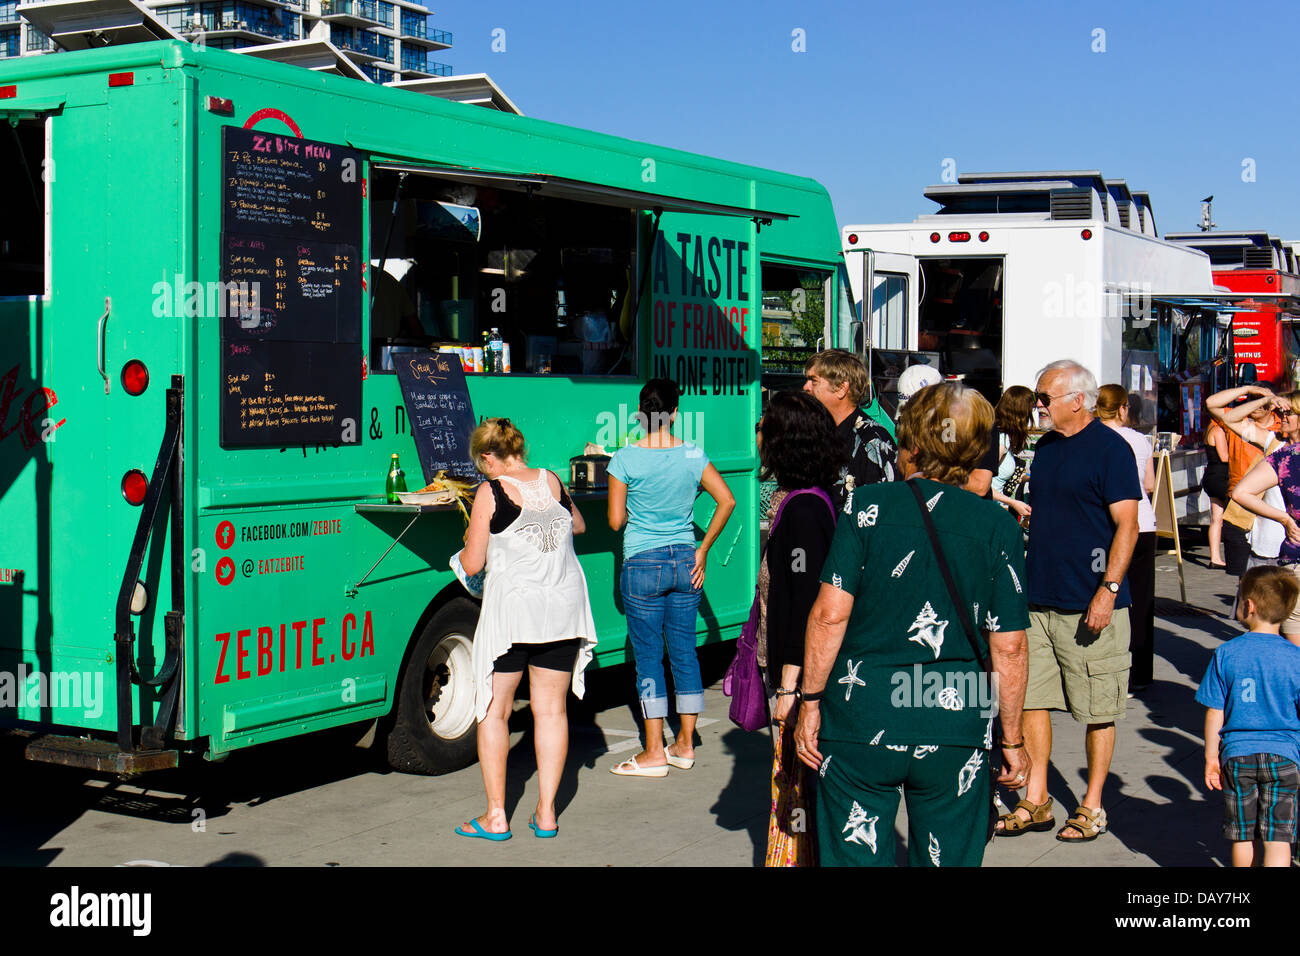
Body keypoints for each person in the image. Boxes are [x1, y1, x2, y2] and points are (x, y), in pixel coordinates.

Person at [793, 381, 1031, 867]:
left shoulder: (866, 507)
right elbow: (1009, 647)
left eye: (902, 441)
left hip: (862, 713)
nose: (899, 452)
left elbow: (829, 614)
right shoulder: (998, 526)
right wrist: (1012, 740)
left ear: (917, 445)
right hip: (956, 717)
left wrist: (810, 702)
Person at [997, 360, 1139, 843]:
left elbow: (1128, 526)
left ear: (1077, 400)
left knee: (1098, 707)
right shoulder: (1047, 449)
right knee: (1033, 698)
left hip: (1092, 602)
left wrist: (1109, 589)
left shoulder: (1111, 451)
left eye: (1044, 398)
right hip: (1039, 599)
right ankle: (1036, 799)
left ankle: (1092, 804)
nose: (1036, 406)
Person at [455, 418, 598, 841]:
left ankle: (496, 816)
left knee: (495, 711)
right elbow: (578, 526)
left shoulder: (490, 492)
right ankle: (547, 813)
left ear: (487, 457)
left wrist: (465, 543)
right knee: (552, 711)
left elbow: (474, 563)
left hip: (514, 615)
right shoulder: (552, 479)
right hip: (562, 608)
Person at [607, 378, 736, 776]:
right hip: (685, 562)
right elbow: (727, 500)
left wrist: (636, 507)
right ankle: (684, 745)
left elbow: (615, 522)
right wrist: (703, 548)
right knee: (684, 654)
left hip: (642, 564)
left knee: (648, 659)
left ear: (641, 415)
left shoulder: (623, 459)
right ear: (675, 413)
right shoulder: (693, 455)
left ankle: (652, 752)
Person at [756, 390, 841, 866]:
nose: (759, 434)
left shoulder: (803, 511)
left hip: (801, 677)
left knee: (799, 791)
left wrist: (790, 689)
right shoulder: (812, 499)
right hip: (804, 674)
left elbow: (803, 606)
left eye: (766, 426)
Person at [1197, 566, 1300, 867]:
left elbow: (1215, 710)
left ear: (1249, 606)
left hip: (1237, 756)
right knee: (1278, 838)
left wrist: (1210, 756)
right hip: (1284, 756)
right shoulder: (1295, 658)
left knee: (1243, 835)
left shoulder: (1226, 653)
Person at [1096, 384, 1158, 693]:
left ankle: (1105, 666)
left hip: (1108, 525)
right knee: (1142, 600)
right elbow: (1149, 483)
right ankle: (1142, 673)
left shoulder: (1092, 439)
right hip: (1143, 522)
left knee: (1106, 592)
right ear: (1123, 409)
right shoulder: (1140, 440)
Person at [1228, 389, 1300, 639]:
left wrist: (1285, 519)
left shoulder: (1285, 458)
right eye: (1280, 412)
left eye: (1289, 412)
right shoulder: (1282, 453)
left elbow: (1241, 493)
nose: (1282, 417)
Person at [803, 349, 897, 515]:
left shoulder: (872, 441)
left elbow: (881, 512)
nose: (806, 387)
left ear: (841, 388)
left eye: (813, 381)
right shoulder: (816, 433)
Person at [1208, 385, 1282, 575]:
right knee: (1244, 579)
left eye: (1260, 401)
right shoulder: (1244, 424)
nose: (1254, 404)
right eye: (1251, 399)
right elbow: (1212, 404)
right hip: (1240, 509)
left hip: (1271, 516)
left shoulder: (1280, 434)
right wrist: (1250, 389)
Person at [971, 384, 1035, 516]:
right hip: (986, 509)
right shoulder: (1001, 441)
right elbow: (980, 484)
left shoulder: (1003, 438)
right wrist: (1013, 503)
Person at [1203, 416, 1230, 568]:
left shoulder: (1208, 429)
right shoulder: (1218, 431)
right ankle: (1231, 554)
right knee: (1234, 514)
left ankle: (1215, 558)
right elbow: (1224, 457)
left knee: (1216, 519)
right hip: (1221, 476)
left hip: (1212, 475)